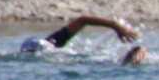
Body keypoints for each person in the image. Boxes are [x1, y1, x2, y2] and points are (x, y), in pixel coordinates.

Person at [19, 14, 147, 63]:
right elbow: (83, 20)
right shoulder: (55, 46)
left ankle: (138, 51)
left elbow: (83, 20)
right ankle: (137, 52)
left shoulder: (54, 46)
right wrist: (115, 26)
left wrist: (116, 25)